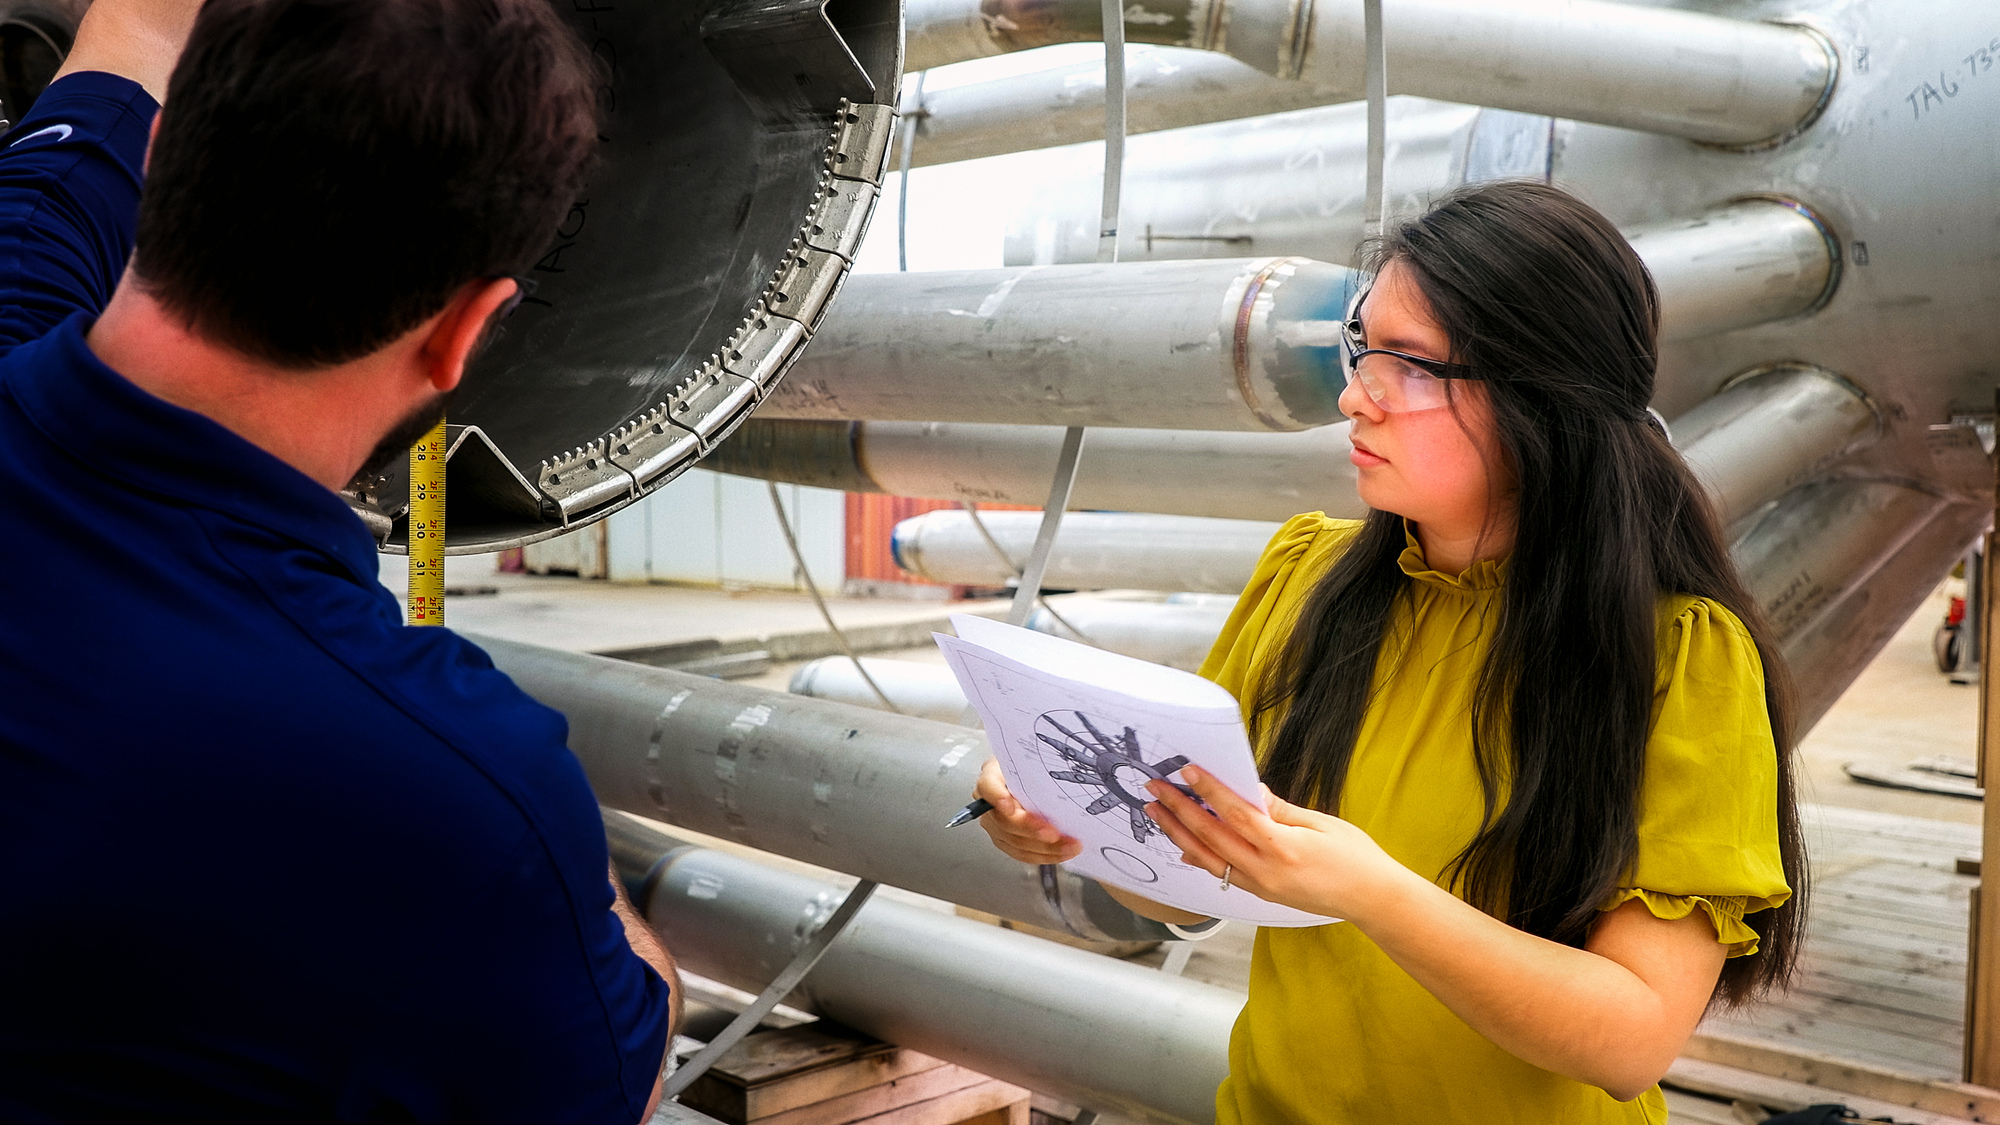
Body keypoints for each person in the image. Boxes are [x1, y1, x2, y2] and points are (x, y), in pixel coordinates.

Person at [973, 181, 1804, 1122]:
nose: (1353, 397)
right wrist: (1076, 823)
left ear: (1544, 395)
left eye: (1408, 365)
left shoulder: (1680, 659)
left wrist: (1375, 894)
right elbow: (1194, 884)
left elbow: (1632, 1036)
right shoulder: (1306, 579)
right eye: (1363, 346)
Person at [0, 1, 682, 1120]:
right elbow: (626, 1071)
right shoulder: (451, 804)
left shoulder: (25, 266)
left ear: (164, 154)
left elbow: (129, 33)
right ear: (468, 328)